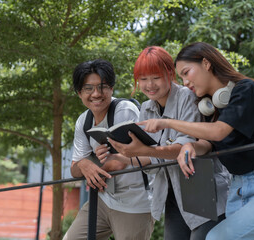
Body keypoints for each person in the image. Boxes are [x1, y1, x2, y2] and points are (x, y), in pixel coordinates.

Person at [139, 42, 254, 240]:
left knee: (216, 237)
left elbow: (219, 132)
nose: (185, 81)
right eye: (181, 77)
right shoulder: (209, 106)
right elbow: (207, 143)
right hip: (238, 188)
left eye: (186, 72)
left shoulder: (246, 89)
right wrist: (191, 145)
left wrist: (168, 123)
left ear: (206, 63)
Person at [96, 46, 230, 240]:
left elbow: (185, 149)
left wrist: (144, 150)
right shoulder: (147, 108)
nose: (149, 84)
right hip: (172, 196)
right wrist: (120, 154)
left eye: (155, 77)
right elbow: (150, 159)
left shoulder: (187, 97)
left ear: (169, 73)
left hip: (202, 191)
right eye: (143, 79)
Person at [63, 59, 154, 240]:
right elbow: (74, 168)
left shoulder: (124, 110)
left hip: (135, 202)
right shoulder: (83, 121)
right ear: (79, 92)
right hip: (103, 200)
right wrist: (84, 165)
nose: (96, 94)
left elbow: (119, 162)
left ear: (111, 88)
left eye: (102, 87)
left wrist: (93, 172)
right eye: (88, 88)